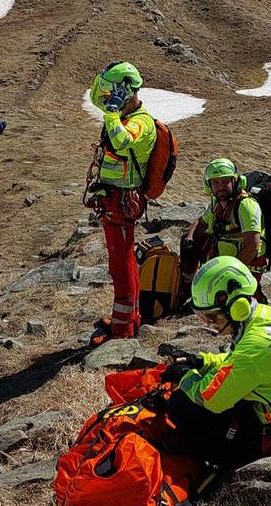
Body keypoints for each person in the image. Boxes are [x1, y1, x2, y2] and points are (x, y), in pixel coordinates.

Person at [162, 256, 271, 471]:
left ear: (235, 306)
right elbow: (237, 362)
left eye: (212, 317)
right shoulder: (265, 316)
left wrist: (184, 375)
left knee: (181, 405)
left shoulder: (256, 348)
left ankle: (222, 466)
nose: (211, 324)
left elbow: (210, 398)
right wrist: (202, 361)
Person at [84, 61, 156, 345]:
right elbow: (95, 99)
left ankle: (123, 329)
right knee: (121, 260)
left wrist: (113, 113)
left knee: (121, 262)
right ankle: (128, 318)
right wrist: (112, 107)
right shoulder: (123, 113)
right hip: (112, 197)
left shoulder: (141, 122)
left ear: (124, 91)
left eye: (109, 93)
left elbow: (122, 141)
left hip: (123, 201)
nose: (104, 99)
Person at [180, 158, 269, 303]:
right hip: (223, 262)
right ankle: (186, 287)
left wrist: (230, 273)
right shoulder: (216, 204)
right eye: (215, 182)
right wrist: (189, 240)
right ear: (209, 185)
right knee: (187, 240)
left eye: (224, 182)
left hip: (243, 266)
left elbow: (252, 246)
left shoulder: (246, 206)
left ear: (235, 181)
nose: (220, 186)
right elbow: (200, 223)